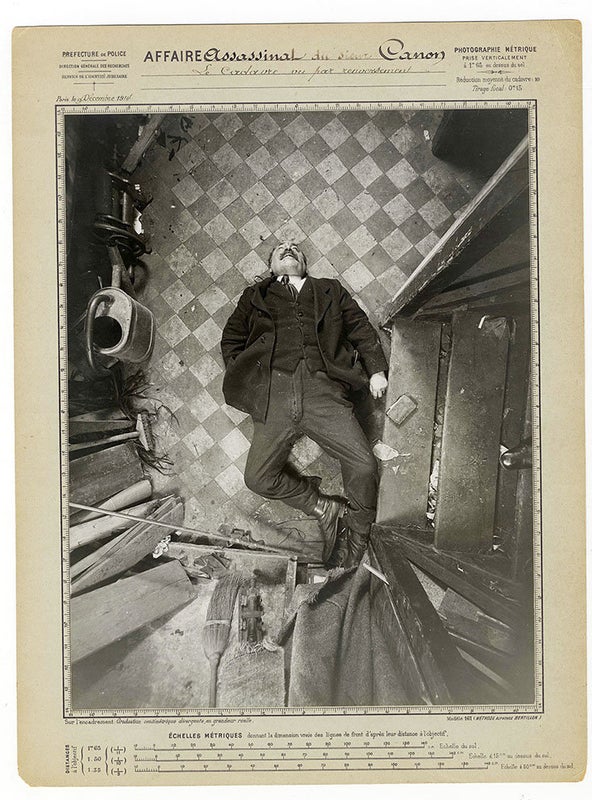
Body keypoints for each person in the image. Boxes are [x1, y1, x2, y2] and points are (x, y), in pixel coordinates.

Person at [220, 241, 388, 568]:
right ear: (271, 267)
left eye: (295, 248)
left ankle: (358, 531)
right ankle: (324, 508)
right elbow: (232, 338)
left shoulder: (329, 290)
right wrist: (249, 377)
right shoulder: (254, 296)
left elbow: (359, 327)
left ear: (304, 265)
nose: (288, 247)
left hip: (322, 389)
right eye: (280, 248)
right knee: (257, 478)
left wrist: (376, 369)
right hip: (274, 394)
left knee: (365, 465)